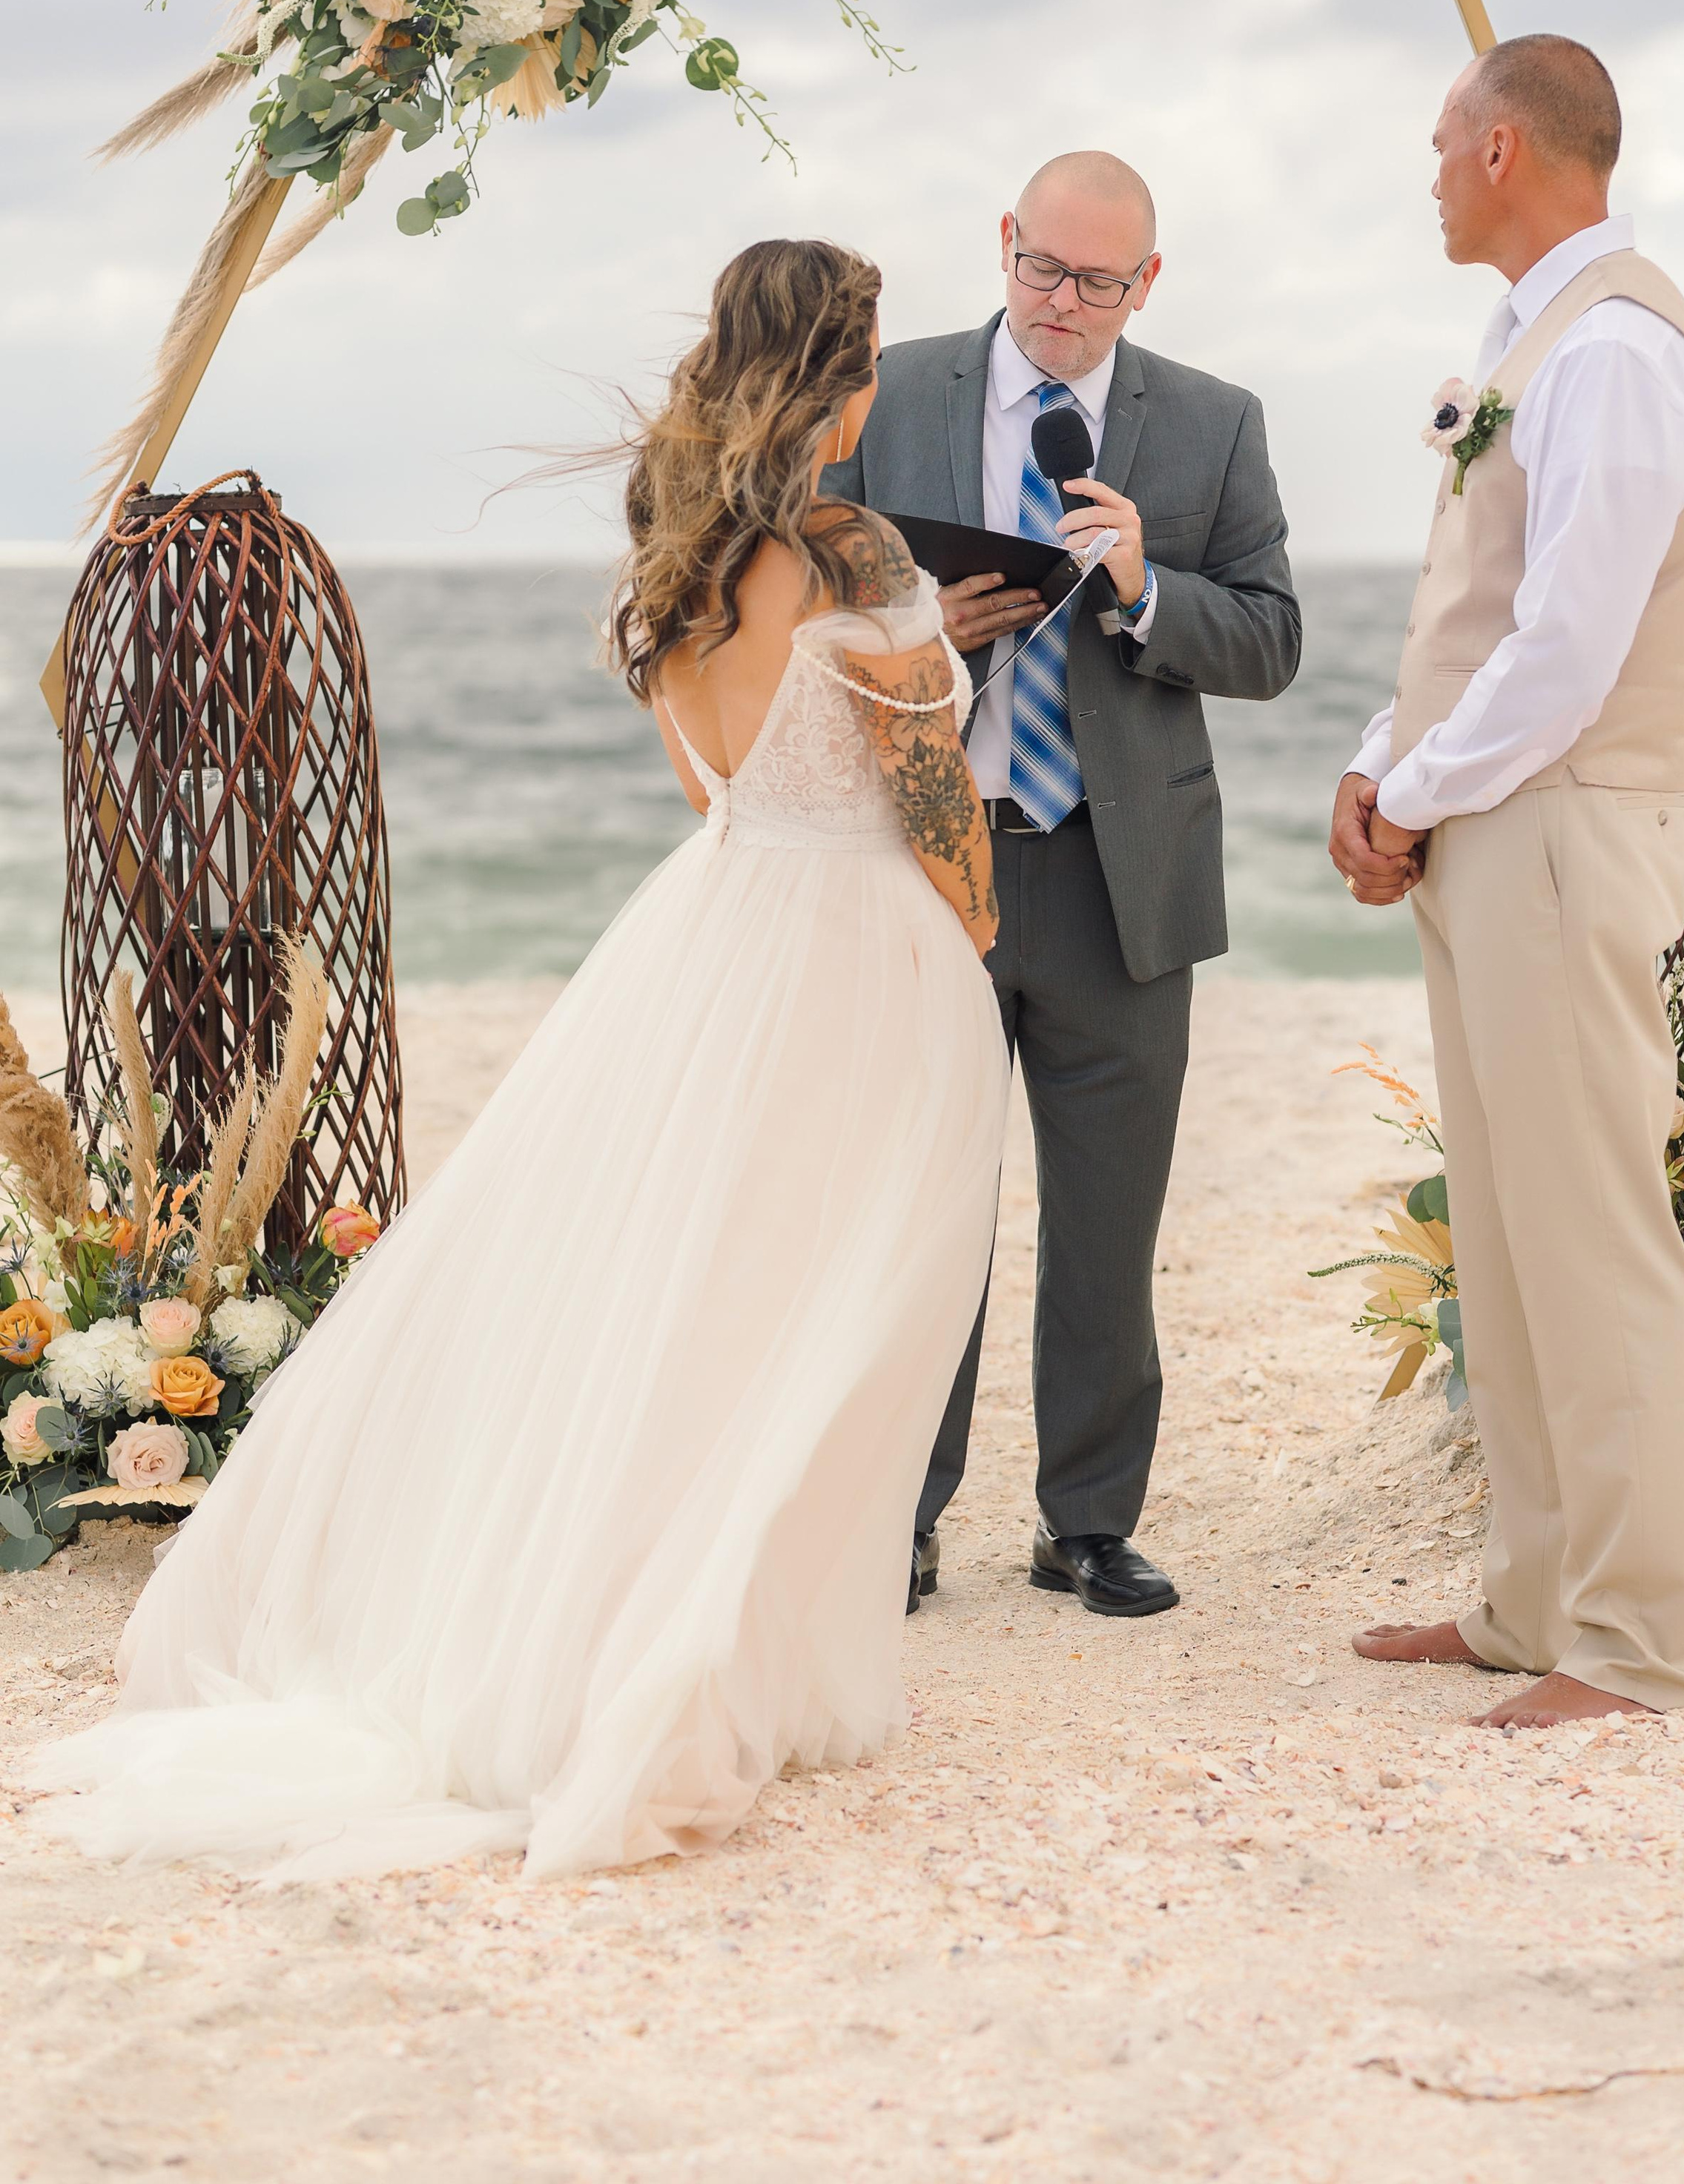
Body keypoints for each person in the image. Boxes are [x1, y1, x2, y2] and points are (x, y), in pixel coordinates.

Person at [30, 240, 1010, 1878]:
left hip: (714, 931)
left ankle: (638, 1630)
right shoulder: (846, 546)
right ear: (837, 376)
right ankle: (722, 1661)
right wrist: (970, 928)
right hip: (859, 950)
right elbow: (928, 794)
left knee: (695, 1298)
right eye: (866, 364)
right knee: (832, 1305)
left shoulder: (671, 545)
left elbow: (721, 786)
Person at [826, 151, 1300, 1618]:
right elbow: (793, 610)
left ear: (1143, 283)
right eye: (1039, 267)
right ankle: (896, 1518)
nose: (1061, 303)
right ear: (1003, 244)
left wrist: (1152, 587)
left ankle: (1084, 1525)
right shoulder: (883, 395)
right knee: (917, 1216)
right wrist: (927, 627)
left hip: (1118, 880)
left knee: (1106, 1226)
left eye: (1096, 282)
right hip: (928, 869)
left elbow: (1272, 641)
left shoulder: (1211, 424)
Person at [1332, 36, 1684, 1729]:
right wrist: (1376, 759)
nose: (1423, 172)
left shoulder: (1620, 350)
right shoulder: (1526, 342)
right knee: (1499, 1234)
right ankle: (1528, 1601)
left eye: (1436, 142)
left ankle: (1635, 1646)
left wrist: (1412, 791)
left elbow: (1568, 648)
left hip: (1557, 828)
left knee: (1592, 1235)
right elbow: (1479, 611)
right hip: (1490, 822)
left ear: (1502, 149)